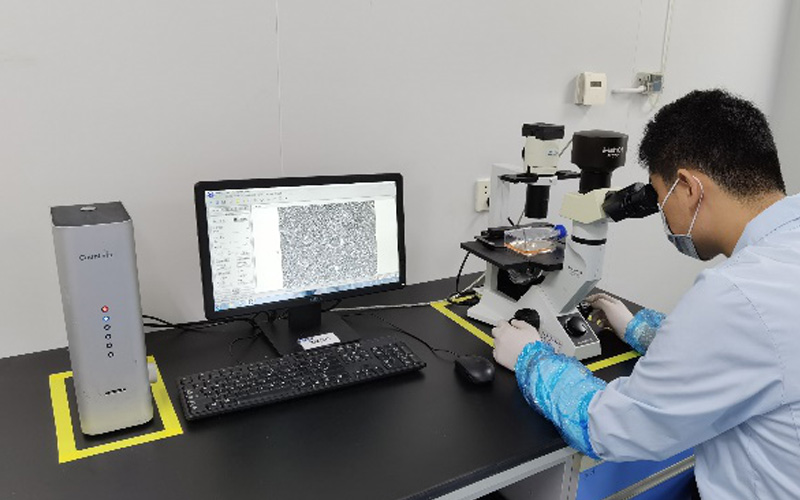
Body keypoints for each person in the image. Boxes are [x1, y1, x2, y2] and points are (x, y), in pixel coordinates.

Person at [492, 89, 800, 499]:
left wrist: (531, 358)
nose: (662, 212)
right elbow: (758, 354)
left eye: (659, 195)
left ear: (688, 187)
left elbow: (613, 428)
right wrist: (642, 330)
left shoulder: (736, 295)